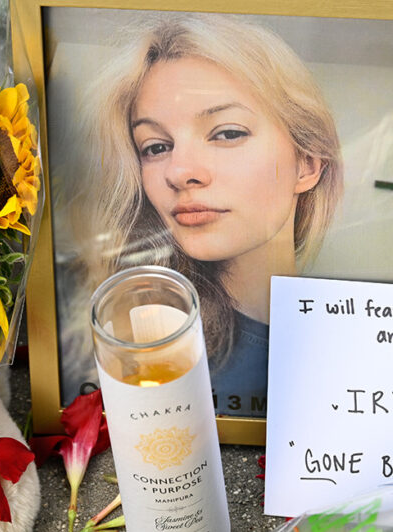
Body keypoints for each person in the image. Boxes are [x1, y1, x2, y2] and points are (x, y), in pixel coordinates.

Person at [59, 13, 343, 415]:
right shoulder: (103, 330)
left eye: (227, 133)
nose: (179, 172)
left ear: (308, 164)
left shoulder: (356, 348)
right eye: (155, 147)